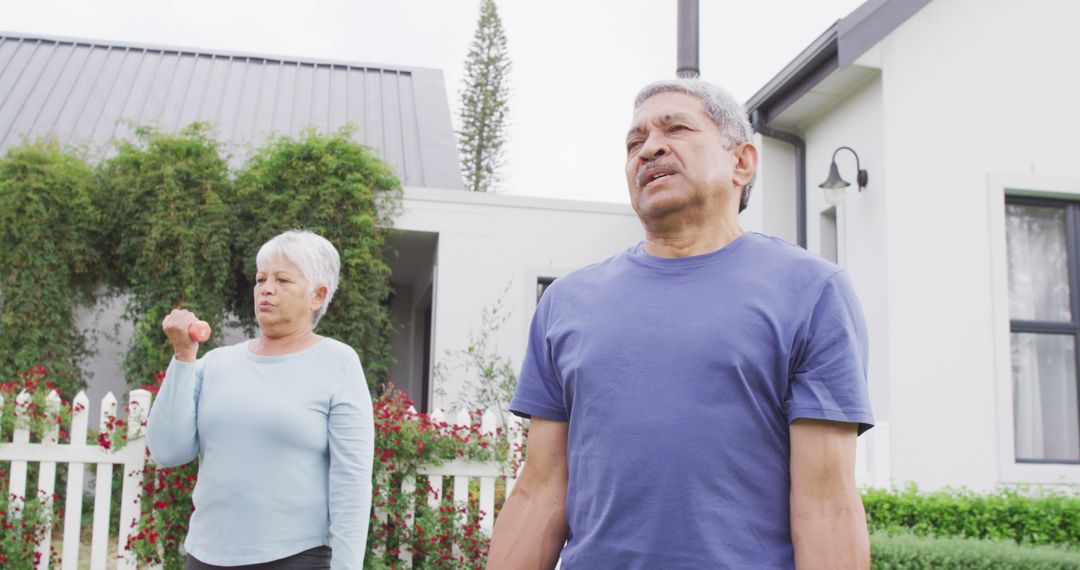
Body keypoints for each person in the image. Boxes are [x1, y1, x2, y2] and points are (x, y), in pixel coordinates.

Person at [487, 79, 874, 569]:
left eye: (676, 128)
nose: (649, 148)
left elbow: (826, 507)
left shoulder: (812, 293)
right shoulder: (566, 303)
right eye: (634, 142)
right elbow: (540, 491)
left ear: (742, 162)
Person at [147, 230, 374, 570]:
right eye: (260, 278)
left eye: (282, 279)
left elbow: (352, 481)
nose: (266, 288)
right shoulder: (216, 364)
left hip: (296, 558)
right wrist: (183, 354)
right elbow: (167, 450)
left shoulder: (337, 362)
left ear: (318, 295)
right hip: (205, 556)